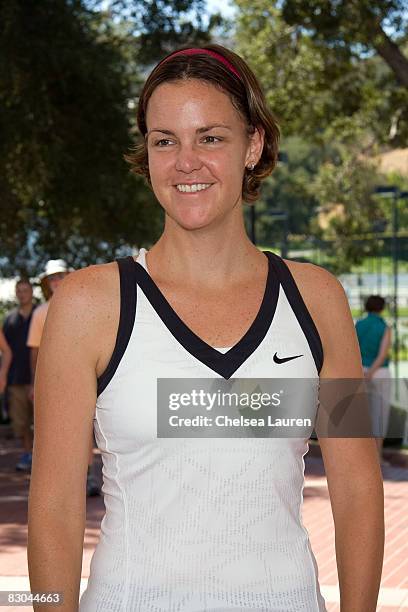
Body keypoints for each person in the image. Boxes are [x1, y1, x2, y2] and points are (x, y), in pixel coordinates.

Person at [28, 45, 384, 611]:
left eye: (211, 137)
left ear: (254, 145)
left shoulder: (318, 299)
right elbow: (54, 504)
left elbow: (359, 488)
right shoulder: (88, 305)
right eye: (164, 140)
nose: (184, 161)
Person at [27, 259, 100, 496]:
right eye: (53, 278)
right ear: (48, 283)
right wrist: (34, 384)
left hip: (84, 377)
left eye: (60, 276)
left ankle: (87, 477)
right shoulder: (40, 313)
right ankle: (58, 483)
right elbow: (35, 352)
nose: (57, 281)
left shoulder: (87, 305)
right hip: (51, 382)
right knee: (52, 431)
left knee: (84, 428)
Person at [2, 279, 36, 471]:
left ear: (32, 292)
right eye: (19, 291)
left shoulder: (41, 314)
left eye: (25, 290)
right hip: (16, 379)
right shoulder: (10, 319)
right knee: (21, 421)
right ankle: (27, 454)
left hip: (39, 377)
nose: (22, 294)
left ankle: (41, 457)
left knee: (39, 421)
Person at [355, 295, 392, 466]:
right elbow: (383, 353)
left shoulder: (358, 325)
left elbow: (353, 350)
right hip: (379, 373)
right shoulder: (384, 327)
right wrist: (372, 372)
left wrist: (363, 372)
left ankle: (362, 459)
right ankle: (377, 458)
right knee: (380, 415)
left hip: (359, 371)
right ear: (382, 308)